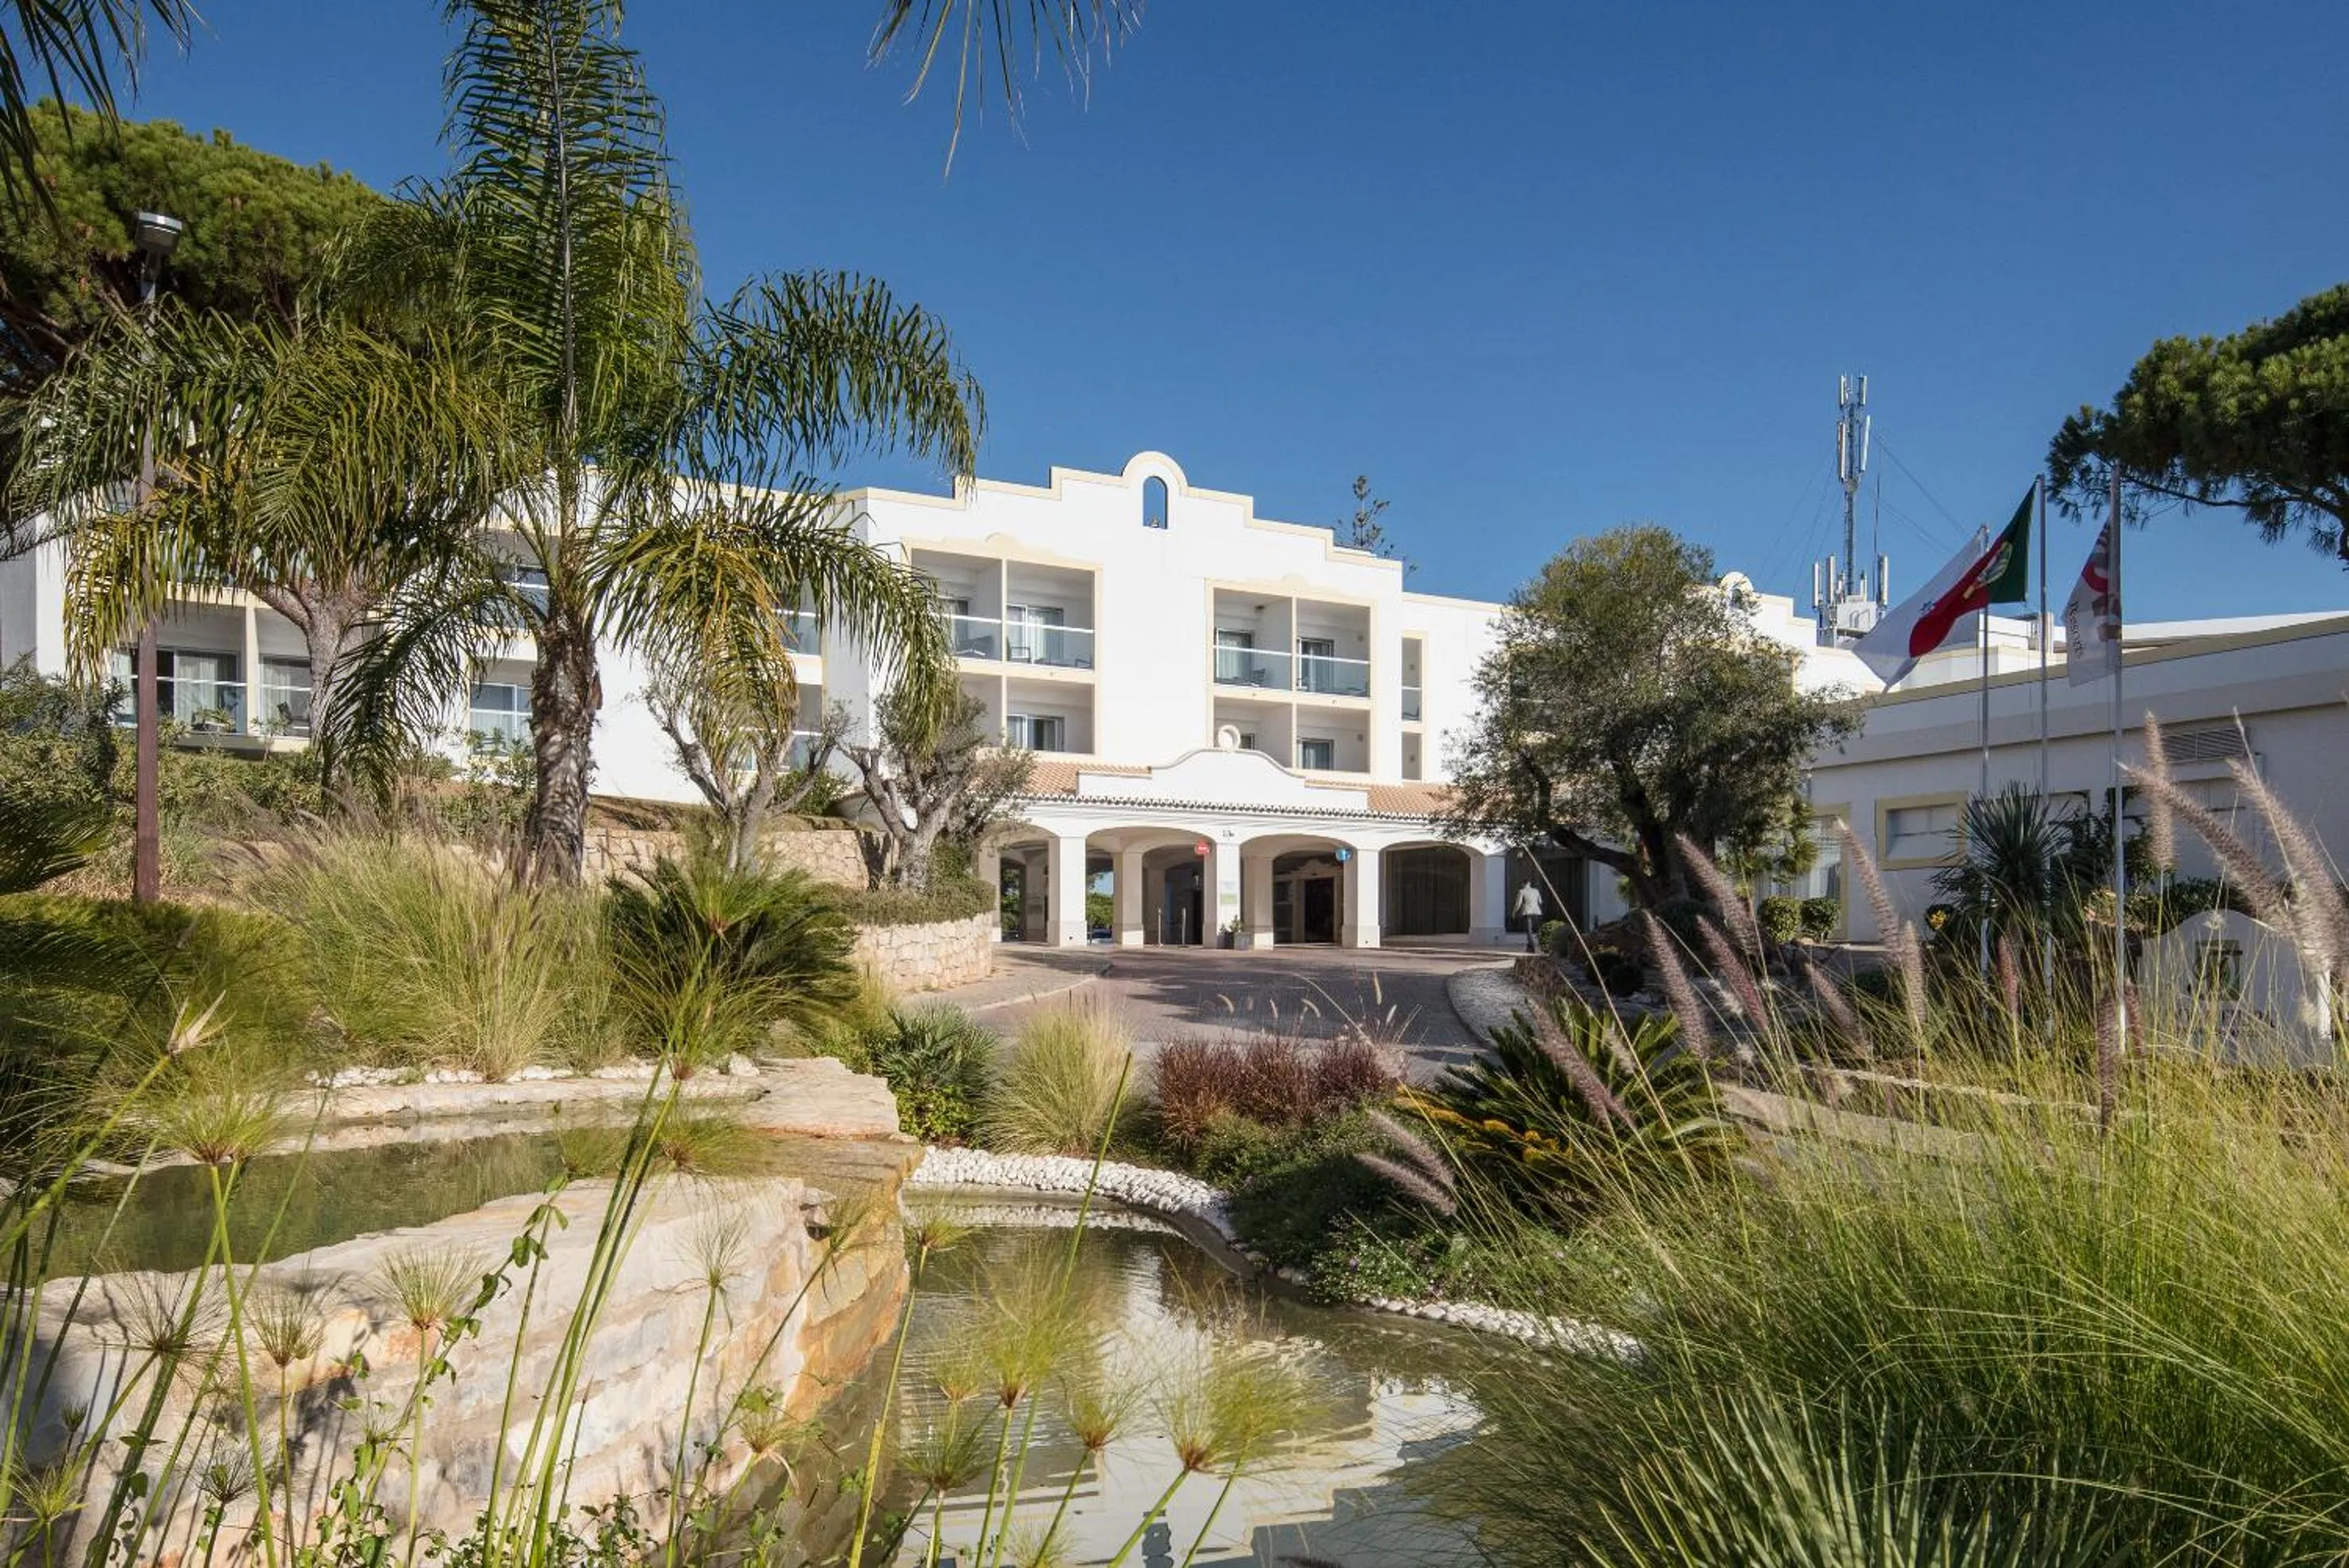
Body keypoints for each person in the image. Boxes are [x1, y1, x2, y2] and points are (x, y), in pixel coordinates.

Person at [1512, 879, 1546, 952]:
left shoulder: (1521, 891)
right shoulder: (1536, 891)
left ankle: (1532, 947)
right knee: (1534, 929)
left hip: (1528, 912)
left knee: (1529, 931)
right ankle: (1529, 947)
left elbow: (1518, 904)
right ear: (1529, 884)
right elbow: (1540, 902)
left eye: (1522, 884)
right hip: (1537, 912)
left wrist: (1514, 912)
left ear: (1523, 884)